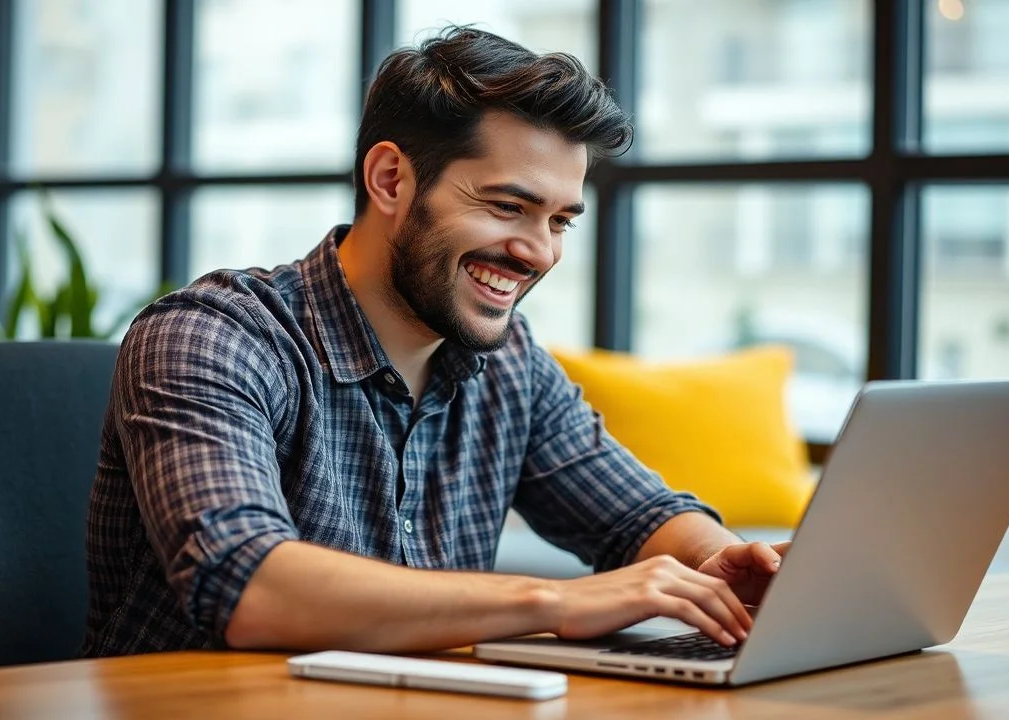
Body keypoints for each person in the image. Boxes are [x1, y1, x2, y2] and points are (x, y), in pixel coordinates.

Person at [82, 26, 788, 658]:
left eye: (561, 221)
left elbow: (638, 517)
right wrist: (554, 601)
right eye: (508, 206)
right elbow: (247, 585)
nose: (538, 252)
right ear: (391, 180)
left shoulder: (507, 363)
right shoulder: (214, 336)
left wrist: (722, 562)